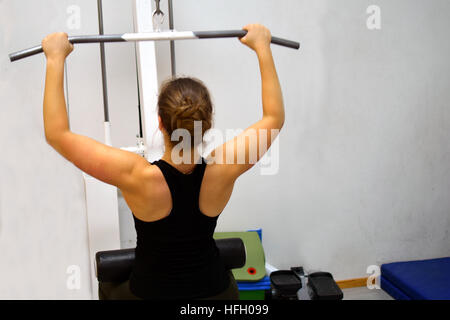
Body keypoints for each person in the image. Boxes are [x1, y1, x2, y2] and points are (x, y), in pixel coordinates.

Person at [42, 24, 284, 300]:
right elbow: (273, 118)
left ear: (160, 121)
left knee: (109, 290)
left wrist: (55, 59)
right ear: (208, 123)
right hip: (215, 293)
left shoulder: (136, 175)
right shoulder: (224, 168)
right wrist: (263, 47)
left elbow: (57, 134)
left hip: (150, 293)